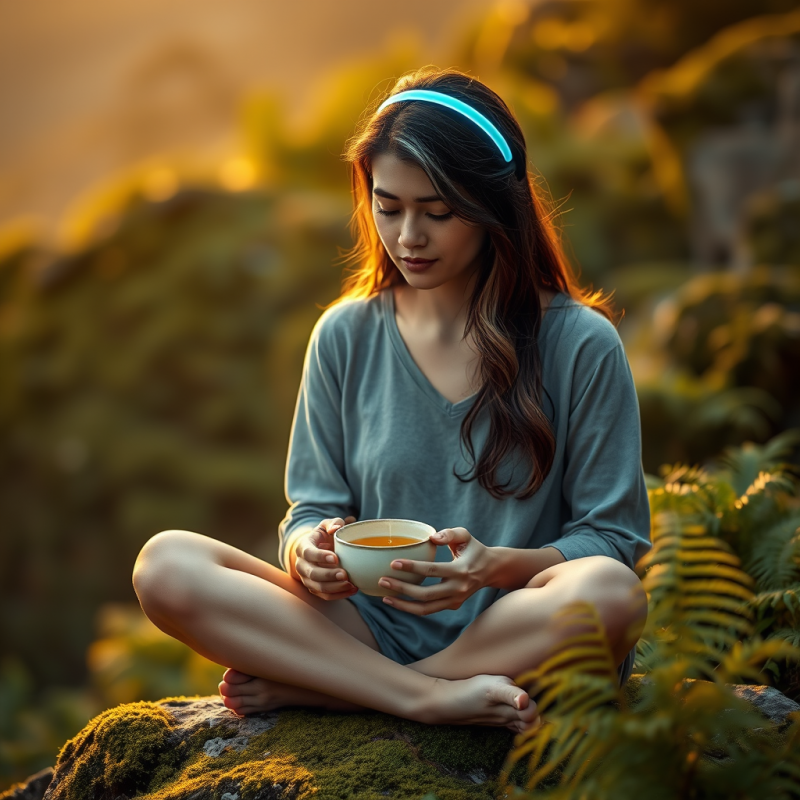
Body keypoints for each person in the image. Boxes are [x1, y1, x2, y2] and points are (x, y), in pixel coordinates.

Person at [132, 66, 651, 733]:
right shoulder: (345, 336)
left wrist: (495, 567)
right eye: (388, 206)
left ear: (496, 208)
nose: (409, 236)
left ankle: (343, 692)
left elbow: (611, 541)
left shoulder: (581, 343)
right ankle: (423, 696)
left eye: (437, 212)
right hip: (367, 625)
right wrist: (307, 550)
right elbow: (315, 506)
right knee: (166, 565)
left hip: (515, 628)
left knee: (611, 595)